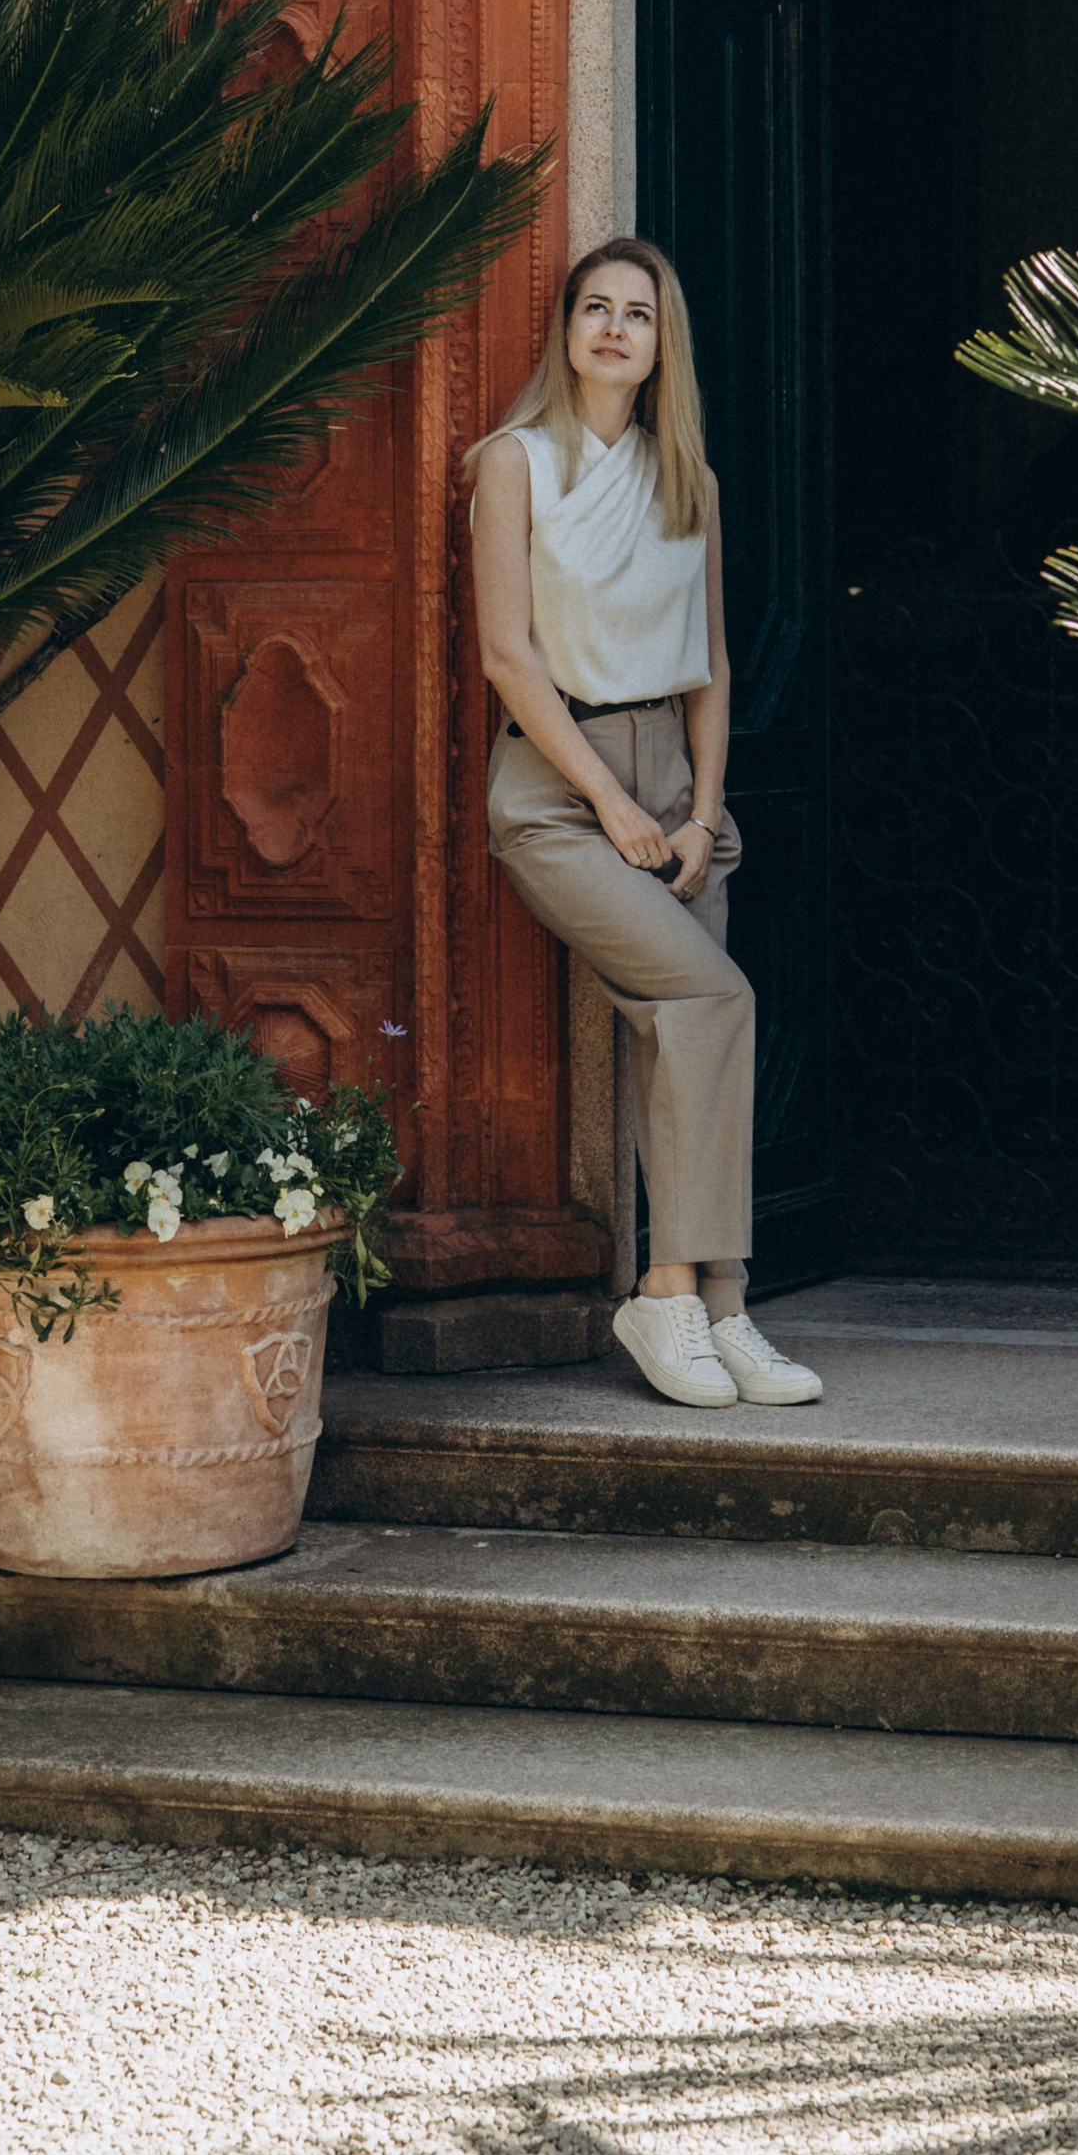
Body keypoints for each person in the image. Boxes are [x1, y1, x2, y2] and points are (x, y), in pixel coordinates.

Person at [467, 235, 821, 1411]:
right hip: (558, 789)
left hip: (674, 784)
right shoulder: (512, 465)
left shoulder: (690, 482)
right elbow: (507, 657)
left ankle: (722, 1311)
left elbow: (712, 661)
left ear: (663, 345)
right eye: (595, 309)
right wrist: (611, 804)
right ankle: (667, 1287)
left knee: (677, 1039)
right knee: (714, 1000)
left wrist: (700, 811)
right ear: (566, 331)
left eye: (640, 314)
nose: (615, 329)